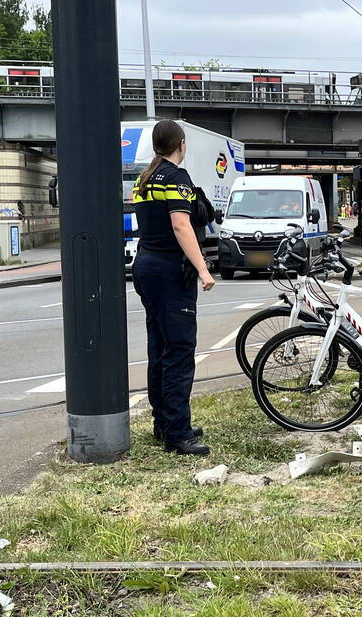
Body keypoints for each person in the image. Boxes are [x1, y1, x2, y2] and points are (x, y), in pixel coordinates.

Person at [131, 119, 215, 456]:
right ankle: (178, 434)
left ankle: (164, 423)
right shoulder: (177, 178)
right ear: (181, 144)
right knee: (179, 350)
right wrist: (203, 269)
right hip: (169, 270)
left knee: (159, 347)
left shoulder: (144, 179)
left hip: (146, 265)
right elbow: (181, 226)